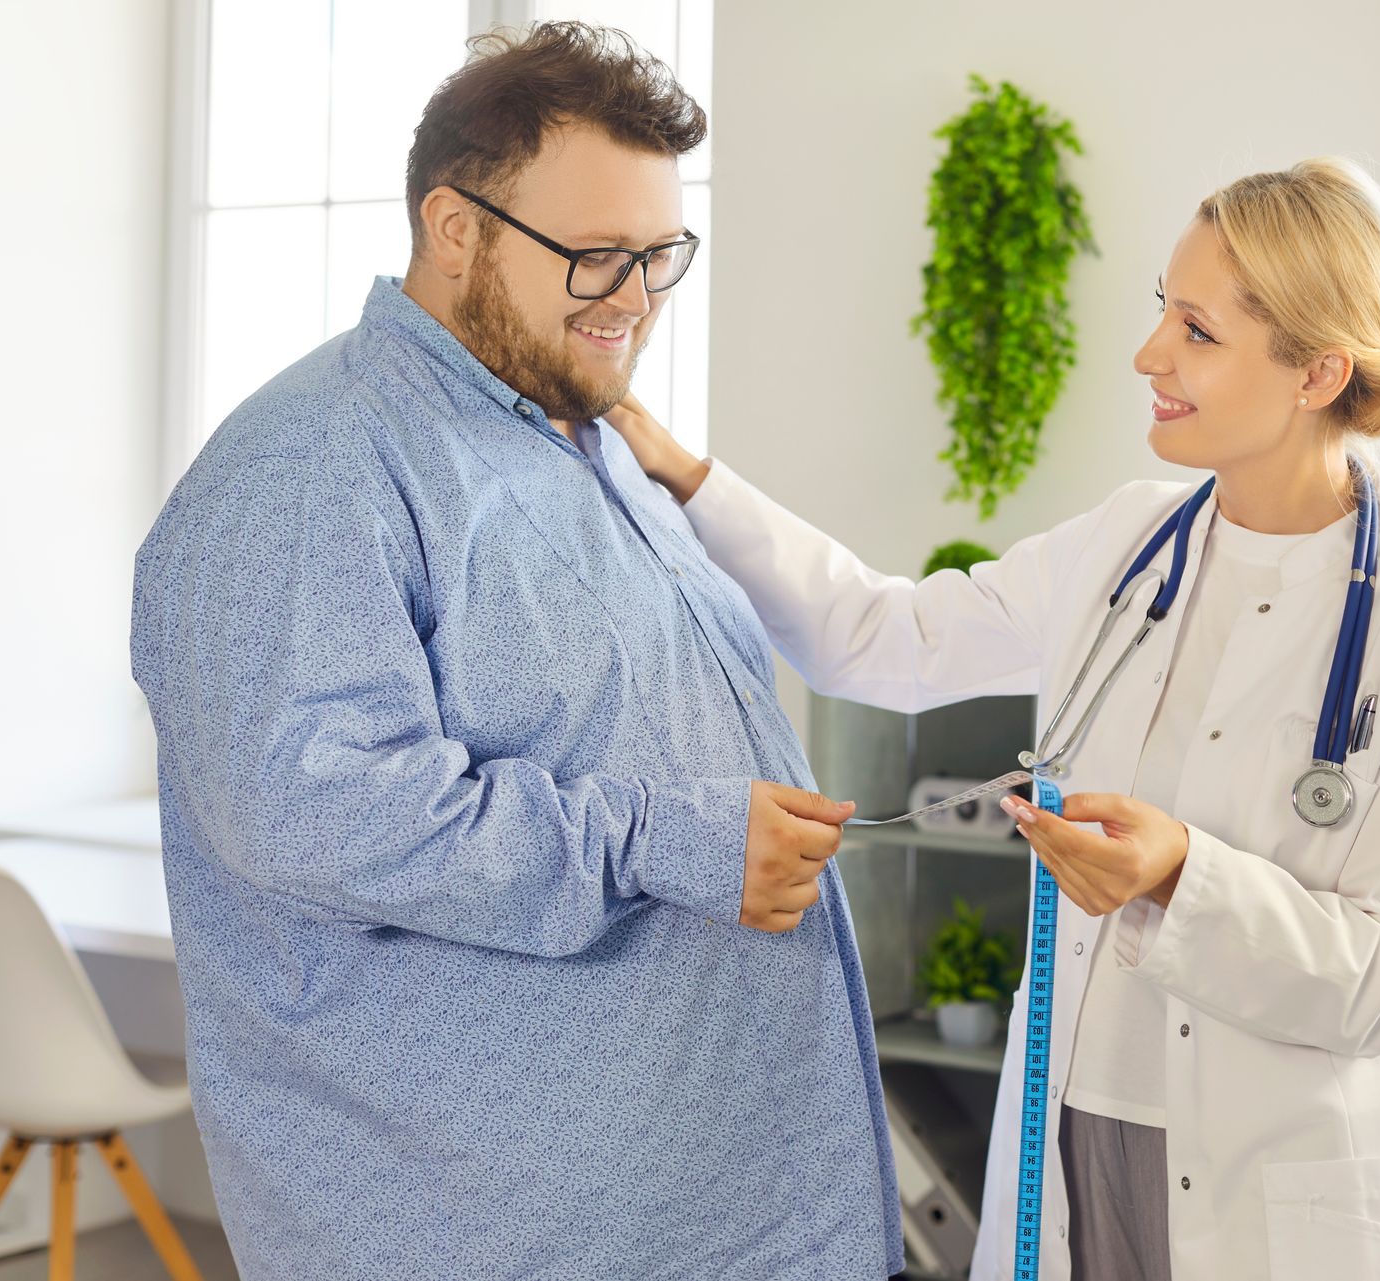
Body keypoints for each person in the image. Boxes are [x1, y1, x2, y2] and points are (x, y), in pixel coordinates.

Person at [607, 157, 1380, 1280]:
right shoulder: (1125, 545)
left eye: (1196, 330)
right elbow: (882, 636)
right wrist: (681, 474)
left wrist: (1183, 874)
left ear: (1316, 371)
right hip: (1071, 1136)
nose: (1150, 354)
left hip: (1275, 1185)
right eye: (1162, 309)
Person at [129, 23, 901, 1280]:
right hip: (495, 1235)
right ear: (454, 227)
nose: (638, 300)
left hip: (710, 1214)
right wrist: (676, 841)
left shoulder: (587, 441)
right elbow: (317, 815)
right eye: (597, 258)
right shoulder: (312, 469)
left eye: (661, 256)